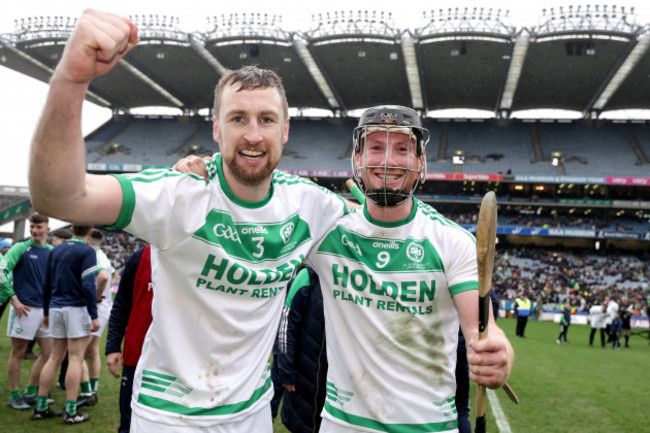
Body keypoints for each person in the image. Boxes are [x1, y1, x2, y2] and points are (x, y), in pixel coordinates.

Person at [28, 10, 348, 432]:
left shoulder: (311, 206)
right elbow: (59, 195)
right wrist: (71, 80)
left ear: (285, 129)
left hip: (252, 415)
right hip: (168, 417)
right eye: (238, 118)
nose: (253, 134)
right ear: (216, 128)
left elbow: (394, 237)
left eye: (266, 119)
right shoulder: (178, 194)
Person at [178, 105, 514, 432]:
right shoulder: (327, 231)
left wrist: (499, 354)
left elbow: (482, 330)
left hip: (428, 427)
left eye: (401, 149)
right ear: (357, 158)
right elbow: (254, 205)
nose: (387, 160)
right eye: (377, 147)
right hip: (342, 424)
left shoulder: (451, 241)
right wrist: (211, 172)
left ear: (420, 161)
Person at [32, 224, 100, 424]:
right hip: (76, 308)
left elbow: (46, 283)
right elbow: (88, 285)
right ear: (89, 233)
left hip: (55, 307)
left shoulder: (57, 249)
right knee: (76, 358)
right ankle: (71, 412)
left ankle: (40, 407)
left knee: (54, 358)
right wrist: (94, 315)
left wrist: (46, 311)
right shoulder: (88, 251)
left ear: (71, 230)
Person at [0, 214, 54, 410]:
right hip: (25, 309)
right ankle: (14, 394)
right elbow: (1, 271)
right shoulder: (20, 248)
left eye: (39, 227)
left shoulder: (51, 251)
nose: (34, 230)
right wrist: (13, 299)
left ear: (48, 229)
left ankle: (31, 390)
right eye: (32, 226)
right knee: (18, 352)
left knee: (49, 353)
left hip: (46, 312)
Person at [105, 244, 153, 433]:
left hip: (179, 361)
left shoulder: (198, 255)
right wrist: (113, 346)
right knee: (129, 421)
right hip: (136, 355)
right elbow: (121, 305)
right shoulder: (141, 256)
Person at [274, 265, 327, 433]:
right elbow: (287, 325)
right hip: (303, 376)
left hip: (335, 379)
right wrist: (286, 371)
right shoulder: (307, 276)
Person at [79, 228, 113, 405]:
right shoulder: (102, 255)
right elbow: (111, 276)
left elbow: (104, 277)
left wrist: (96, 296)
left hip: (99, 306)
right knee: (92, 350)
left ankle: (88, 392)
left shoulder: (96, 256)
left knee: (81, 350)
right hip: (104, 306)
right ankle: (93, 388)